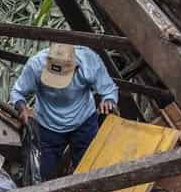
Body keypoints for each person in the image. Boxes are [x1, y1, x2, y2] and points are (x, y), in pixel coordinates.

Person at [10, 43, 119, 181]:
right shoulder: (36, 65)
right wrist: (22, 108)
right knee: (43, 175)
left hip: (83, 121)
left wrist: (108, 100)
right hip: (48, 125)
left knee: (89, 169)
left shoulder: (88, 62)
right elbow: (17, 92)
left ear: (76, 68)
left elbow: (109, 89)